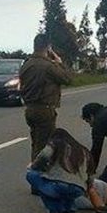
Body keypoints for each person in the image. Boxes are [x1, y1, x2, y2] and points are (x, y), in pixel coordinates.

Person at [20, 34, 73, 162]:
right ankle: (39, 175)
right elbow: (67, 79)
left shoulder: (26, 64)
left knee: (36, 144)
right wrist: (60, 64)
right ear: (48, 48)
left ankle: (34, 169)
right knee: (45, 148)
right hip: (44, 109)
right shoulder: (48, 66)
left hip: (30, 109)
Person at [26, 128, 94, 213]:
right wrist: (87, 189)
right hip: (78, 189)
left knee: (32, 174)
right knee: (66, 189)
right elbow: (90, 174)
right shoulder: (84, 150)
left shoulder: (55, 143)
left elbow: (43, 157)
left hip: (58, 185)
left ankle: (55, 209)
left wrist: (33, 166)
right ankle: (69, 207)